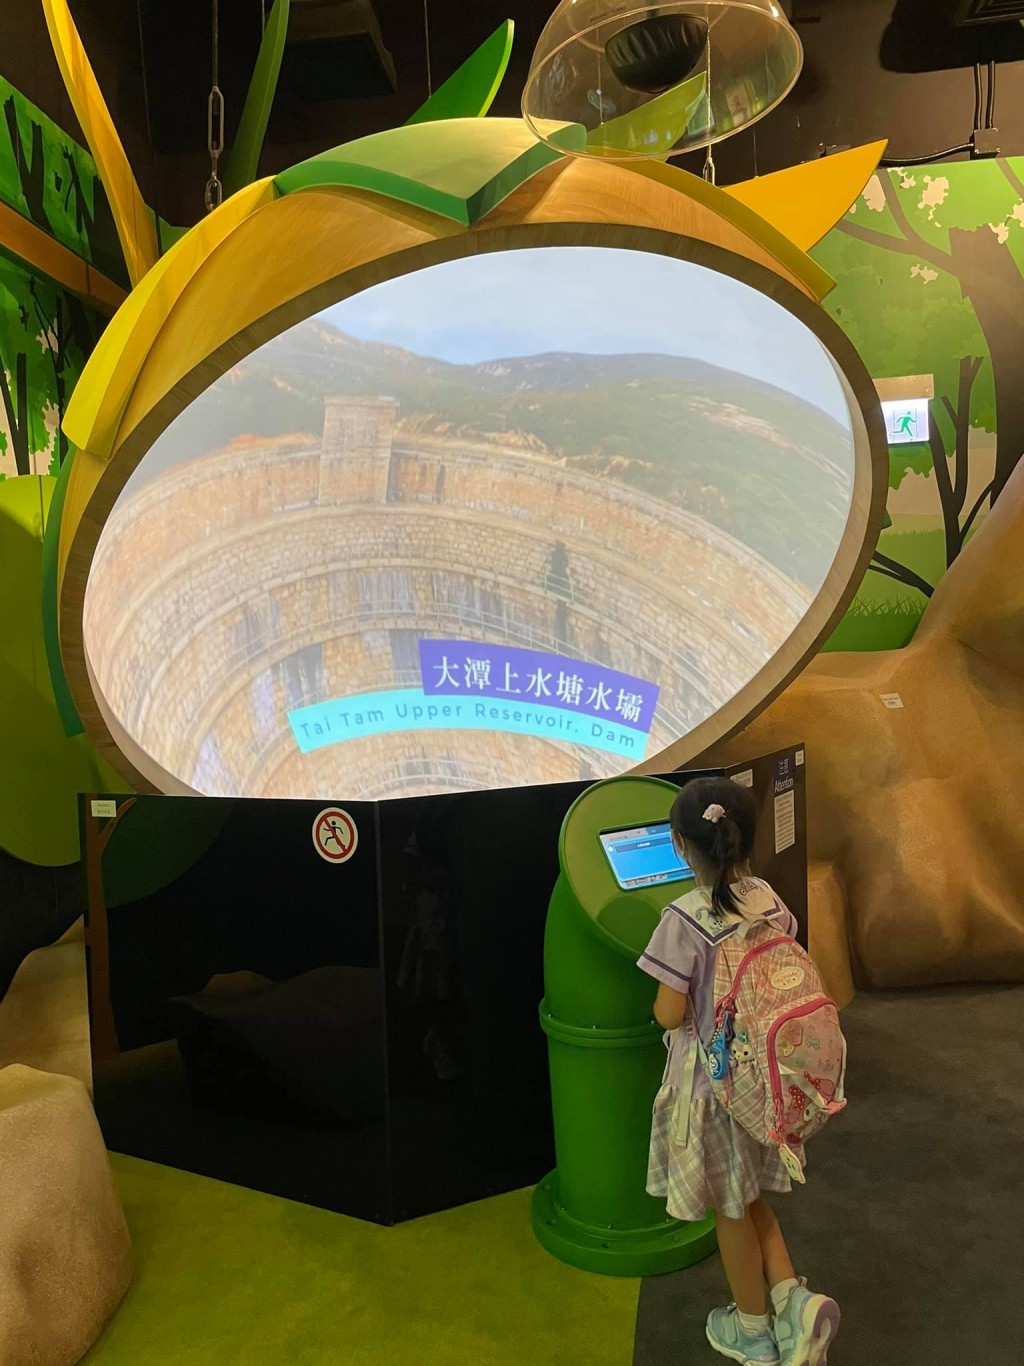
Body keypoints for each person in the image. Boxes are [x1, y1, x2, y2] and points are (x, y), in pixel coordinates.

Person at [637, 776, 840, 1366]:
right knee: (748, 1199)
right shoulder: (768, 898)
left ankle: (752, 1332)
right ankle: (793, 1302)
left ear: (679, 843)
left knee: (730, 1212)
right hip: (765, 1084)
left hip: (714, 1089)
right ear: (748, 839)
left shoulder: (682, 918)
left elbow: (669, 1012)